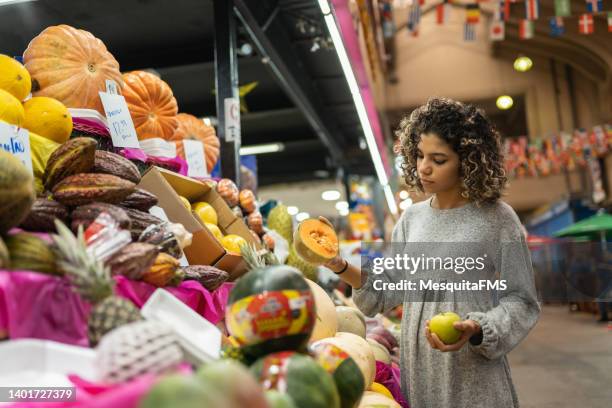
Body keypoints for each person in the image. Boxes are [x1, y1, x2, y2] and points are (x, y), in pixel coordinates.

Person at [323, 97, 541, 408]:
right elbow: (381, 294)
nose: (424, 167)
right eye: (420, 155)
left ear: (467, 161)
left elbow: (522, 301)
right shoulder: (411, 220)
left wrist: (479, 327)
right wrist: (340, 264)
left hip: (474, 378)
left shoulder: (497, 218)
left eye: (438, 160)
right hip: (421, 375)